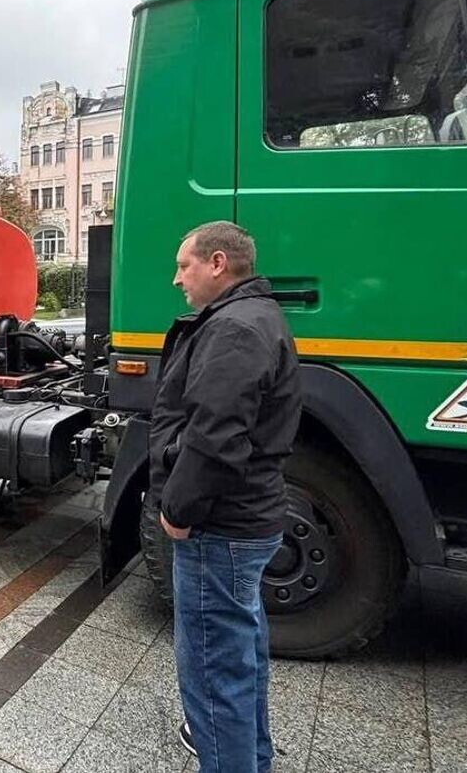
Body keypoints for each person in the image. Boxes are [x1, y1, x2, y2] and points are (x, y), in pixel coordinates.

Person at [149, 221, 301, 773]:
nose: (175, 280)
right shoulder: (251, 317)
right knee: (240, 656)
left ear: (217, 263)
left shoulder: (235, 329)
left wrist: (178, 511)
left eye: (183, 265)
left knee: (214, 670)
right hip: (244, 520)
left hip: (222, 526)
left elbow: (214, 438)